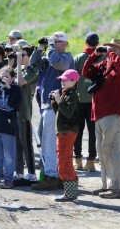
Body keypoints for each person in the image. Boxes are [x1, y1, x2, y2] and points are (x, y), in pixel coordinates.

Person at [82, 38, 120, 199]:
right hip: (99, 114)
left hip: (114, 114)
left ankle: (117, 186)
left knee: (113, 151)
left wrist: (111, 54)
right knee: (102, 152)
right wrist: (94, 56)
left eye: (114, 48)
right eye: (108, 47)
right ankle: (106, 185)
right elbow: (87, 72)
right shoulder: (105, 65)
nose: (109, 50)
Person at [31, 32, 74, 191]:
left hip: (56, 105)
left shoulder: (66, 58)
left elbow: (58, 64)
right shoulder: (49, 56)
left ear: (63, 44)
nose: (53, 44)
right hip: (47, 105)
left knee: (50, 143)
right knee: (48, 142)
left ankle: (51, 176)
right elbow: (33, 66)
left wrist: (49, 48)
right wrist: (39, 49)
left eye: (55, 42)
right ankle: (56, 175)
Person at [11, 39, 40, 185]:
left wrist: (17, 62)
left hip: (24, 113)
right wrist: (13, 62)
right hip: (15, 112)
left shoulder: (32, 71)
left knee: (26, 143)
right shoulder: (20, 70)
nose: (19, 57)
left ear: (28, 56)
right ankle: (19, 172)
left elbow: (20, 82)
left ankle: (32, 173)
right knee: (17, 143)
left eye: (22, 54)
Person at [51, 69, 80, 201]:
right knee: (64, 159)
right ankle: (71, 192)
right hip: (64, 132)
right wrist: (55, 102)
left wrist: (59, 100)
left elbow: (68, 113)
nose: (62, 81)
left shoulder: (73, 95)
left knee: (64, 161)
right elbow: (61, 112)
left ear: (73, 81)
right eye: (61, 79)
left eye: (65, 79)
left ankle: (70, 193)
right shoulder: (67, 94)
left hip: (67, 132)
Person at [73, 32, 100, 172]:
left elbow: (73, 78)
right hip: (94, 100)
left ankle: (77, 160)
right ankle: (91, 161)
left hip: (79, 99)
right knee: (92, 132)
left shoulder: (78, 57)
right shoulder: (102, 57)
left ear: (85, 43)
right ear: (98, 43)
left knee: (78, 130)